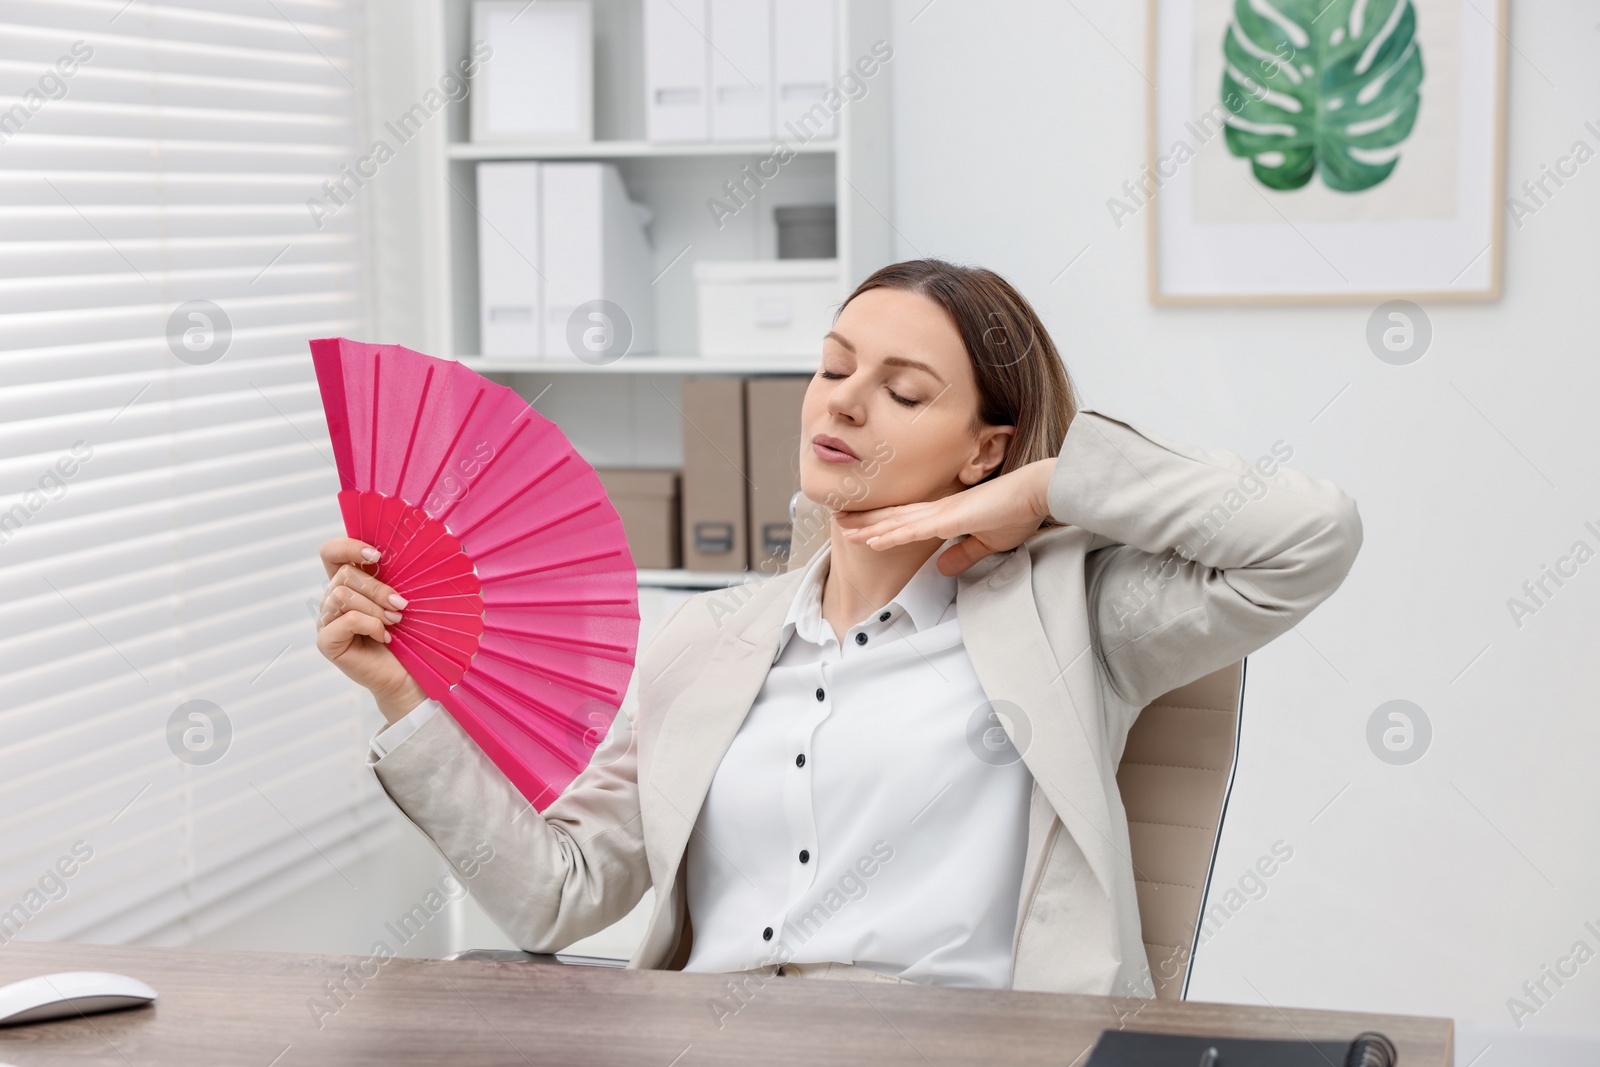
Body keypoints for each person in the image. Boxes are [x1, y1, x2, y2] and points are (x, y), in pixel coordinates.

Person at [313, 258, 1362, 998]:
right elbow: (557, 895)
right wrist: (400, 693)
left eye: (903, 391)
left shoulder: (1071, 614)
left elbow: (1306, 535)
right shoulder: (707, 639)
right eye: (833, 366)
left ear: (980, 449)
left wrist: (1045, 488)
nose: (846, 401)